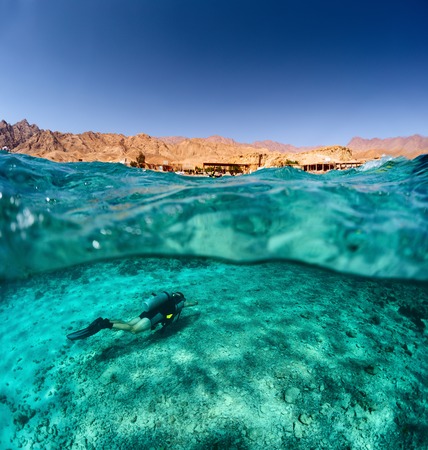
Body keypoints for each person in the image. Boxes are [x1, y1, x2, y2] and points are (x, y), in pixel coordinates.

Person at [67, 291, 197, 341]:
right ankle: (105, 324)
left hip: (146, 313)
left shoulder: (165, 300)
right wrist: (196, 302)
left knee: (128, 323)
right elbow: (190, 303)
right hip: (151, 319)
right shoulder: (178, 305)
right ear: (180, 299)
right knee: (134, 330)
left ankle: (106, 320)